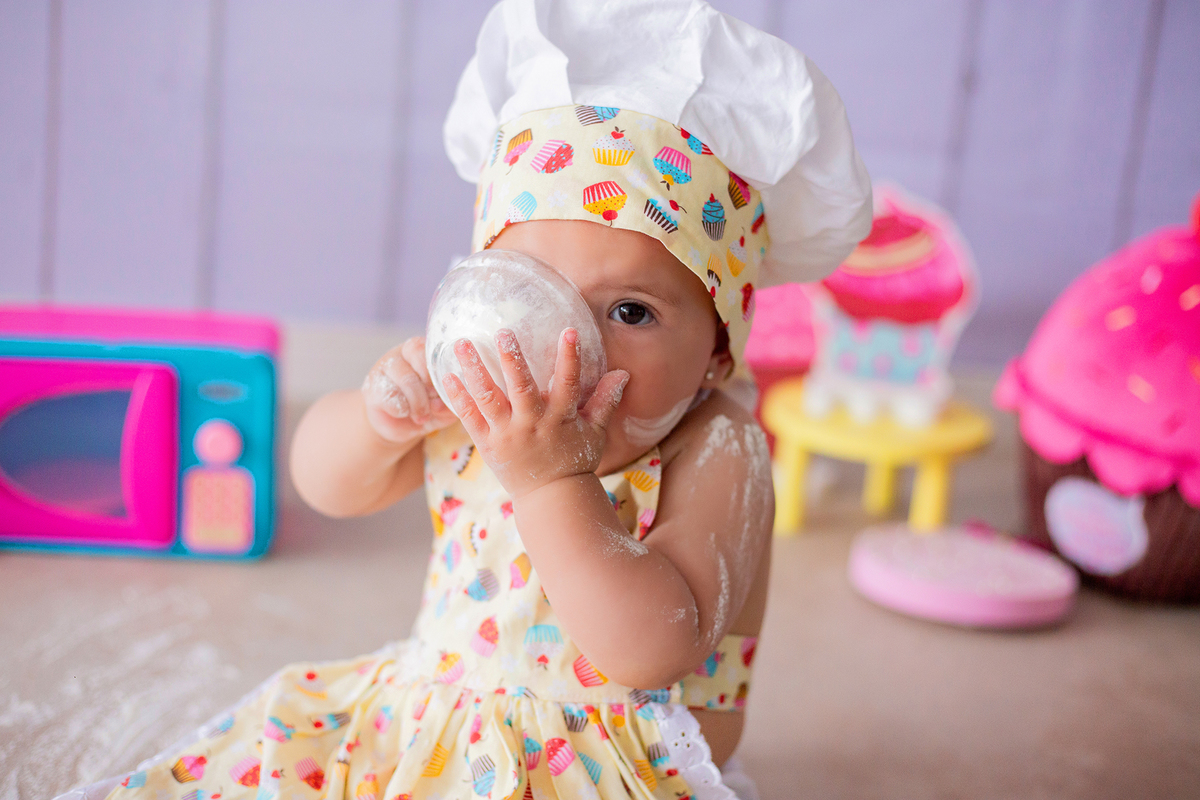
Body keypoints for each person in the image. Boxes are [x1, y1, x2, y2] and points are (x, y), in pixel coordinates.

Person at [69, 2, 870, 798]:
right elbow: (325, 483)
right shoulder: (486, 385)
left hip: (612, 755)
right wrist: (382, 421)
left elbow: (650, 646)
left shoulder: (717, 443)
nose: (568, 346)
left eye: (630, 311)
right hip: (433, 723)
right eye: (534, 292)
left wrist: (552, 483)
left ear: (719, 348)